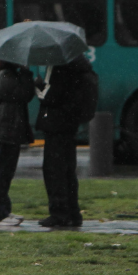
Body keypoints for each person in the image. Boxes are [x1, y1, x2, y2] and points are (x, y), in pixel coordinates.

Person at [35, 56, 97, 227]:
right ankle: (73, 212)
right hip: (69, 125)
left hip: (57, 124)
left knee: (54, 170)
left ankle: (59, 213)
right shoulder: (79, 67)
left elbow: (50, 96)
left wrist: (38, 86)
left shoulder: (60, 68)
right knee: (68, 171)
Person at [0, 60, 35, 226]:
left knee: (5, 173)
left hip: (9, 129)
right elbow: (24, 94)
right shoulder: (6, 76)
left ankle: (4, 211)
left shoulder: (7, 75)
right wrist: (27, 75)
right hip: (6, 130)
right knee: (2, 173)